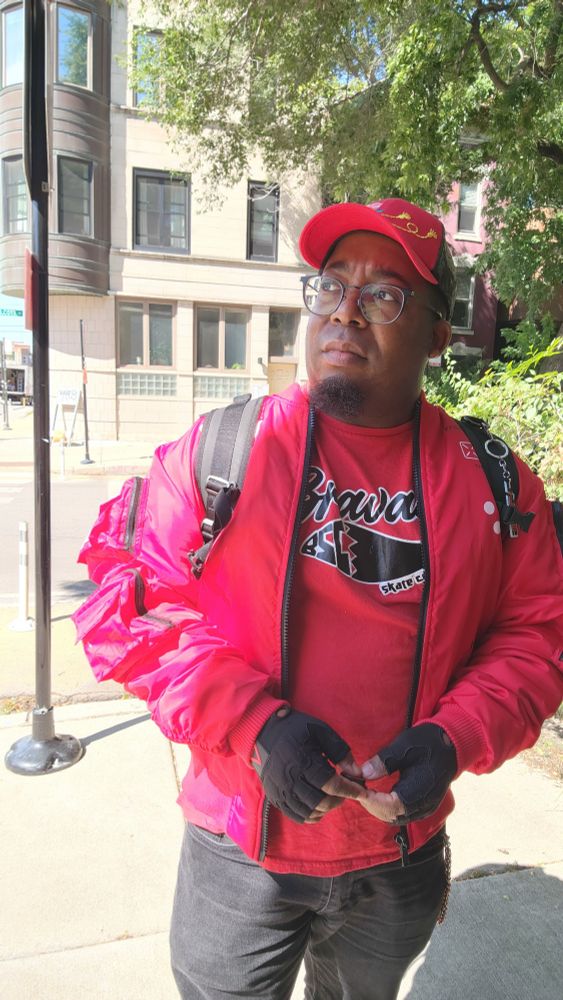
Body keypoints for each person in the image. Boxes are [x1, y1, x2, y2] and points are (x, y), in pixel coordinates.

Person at [74, 197, 563, 1000]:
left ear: (438, 334)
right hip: (239, 848)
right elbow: (132, 603)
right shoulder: (224, 450)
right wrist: (255, 724)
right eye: (330, 286)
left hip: (397, 855)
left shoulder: (491, 480)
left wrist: (453, 738)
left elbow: (533, 636)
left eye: (382, 295)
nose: (344, 313)